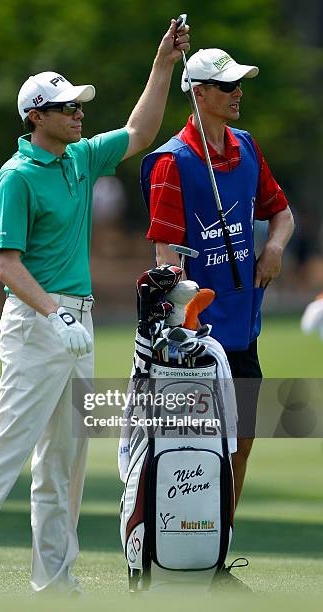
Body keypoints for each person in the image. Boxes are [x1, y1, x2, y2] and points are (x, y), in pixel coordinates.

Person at [0, 20, 190, 595]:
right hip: (36, 324)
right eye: (67, 107)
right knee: (8, 452)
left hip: (78, 323)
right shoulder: (16, 177)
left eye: (78, 106)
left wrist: (162, 65)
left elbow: (140, 130)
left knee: (64, 464)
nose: (78, 114)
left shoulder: (80, 159)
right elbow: (6, 265)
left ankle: (55, 579)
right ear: (36, 116)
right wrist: (54, 313)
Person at [141, 48, 294, 515]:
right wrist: (181, 321)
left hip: (244, 327)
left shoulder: (246, 145)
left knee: (241, 443)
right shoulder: (173, 161)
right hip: (199, 335)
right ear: (199, 93)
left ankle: (219, 549)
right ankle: (182, 546)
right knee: (197, 449)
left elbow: (281, 214)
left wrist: (274, 247)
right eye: (228, 86)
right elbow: (166, 253)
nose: (238, 93)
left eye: (239, 84)